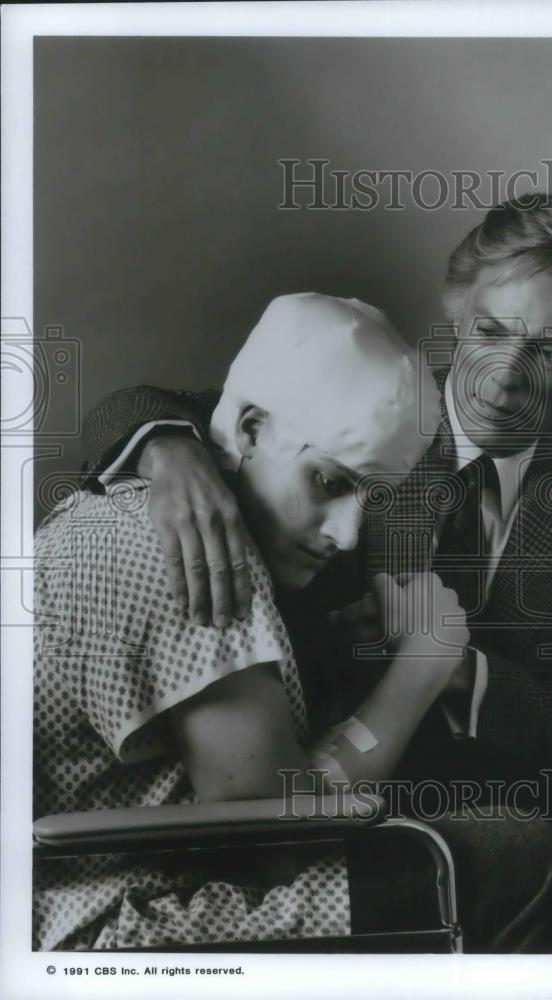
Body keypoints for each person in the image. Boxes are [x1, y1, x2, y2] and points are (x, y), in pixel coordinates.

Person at [78, 195, 552, 953]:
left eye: (548, 352)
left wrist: (455, 670)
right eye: (487, 332)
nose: (503, 377)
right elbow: (142, 406)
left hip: (495, 812)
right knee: (524, 869)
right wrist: (167, 453)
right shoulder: (364, 399)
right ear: (455, 312)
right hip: (314, 813)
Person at [34, 292, 478, 950]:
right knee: (516, 864)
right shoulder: (198, 546)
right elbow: (271, 848)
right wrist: (419, 672)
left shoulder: (152, 504)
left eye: (370, 498)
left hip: (114, 893)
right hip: (114, 919)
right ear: (246, 432)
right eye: (329, 482)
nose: (349, 536)